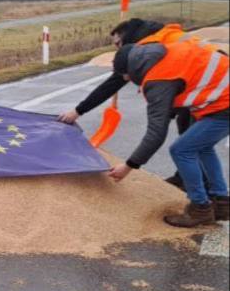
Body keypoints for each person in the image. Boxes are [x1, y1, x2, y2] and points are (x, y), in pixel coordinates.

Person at [57, 18, 199, 189]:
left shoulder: (146, 47)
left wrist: (78, 111)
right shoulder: (155, 38)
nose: (117, 49)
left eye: (118, 44)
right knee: (188, 135)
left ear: (127, 36)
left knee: (190, 141)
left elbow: (114, 82)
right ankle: (188, 178)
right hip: (192, 84)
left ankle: (205, 192)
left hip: (205, 87)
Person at [108, 40, 229, 227]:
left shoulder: (157, 79)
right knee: (202, 147)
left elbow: (156, 134)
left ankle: (201, 208)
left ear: (131, 71)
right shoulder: (165, 52)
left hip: (224, 104)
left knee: (181, 150)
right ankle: (222, 203)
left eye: (127, 78)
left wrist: (128, 165)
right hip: (221, 98)